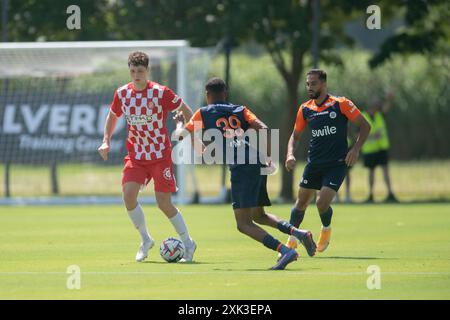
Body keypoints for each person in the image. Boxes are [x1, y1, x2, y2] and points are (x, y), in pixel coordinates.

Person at [174, 77, 317, 270]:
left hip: (242, 168)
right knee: (259, 215)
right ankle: (299, 233)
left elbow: (183, 138)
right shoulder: (241, 110)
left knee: (243, 224)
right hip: (257, 161)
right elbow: (264, 128)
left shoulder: (203, 113)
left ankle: (285, 250)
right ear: (225, 93)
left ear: (207, 95)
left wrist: (180, 125)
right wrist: (268, 158)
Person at [97, 51, 197, 263]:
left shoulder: (161, 93)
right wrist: (106, 139)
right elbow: (112, 116)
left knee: (163, 203)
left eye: (140, 71)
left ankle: (188, 242)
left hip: (160, 155)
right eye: (132, 71)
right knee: (128, 195)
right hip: (136, 156)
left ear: (147, 71)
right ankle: (145, 239)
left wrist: (193, 136)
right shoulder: (122, 93)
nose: (136, 75)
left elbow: (188, 110)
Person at [284, 69, 371, 253]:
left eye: (313, 83)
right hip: (314, 164)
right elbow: (295, 136)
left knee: (321, 203)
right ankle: (291, 240)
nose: (309, 87)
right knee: (300, 203)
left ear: (324, 84)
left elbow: (365, 126)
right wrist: (290, 154)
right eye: (307, 84)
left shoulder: (341, 104)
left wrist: (355, 149)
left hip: (337, 164)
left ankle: (326, 229)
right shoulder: (305, 109)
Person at [361, 92, 398, 203]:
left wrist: (389, 99)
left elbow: (386, 107)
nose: (376, 107)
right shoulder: (362, 116)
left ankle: (390, 193)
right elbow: (357, 134)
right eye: (375, 105)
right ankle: (371, 195)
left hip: (381, 148)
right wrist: (372, 136)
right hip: (369, 150)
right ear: (370, 106)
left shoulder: (379, 115)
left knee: (385, 171)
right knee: (371, 172)